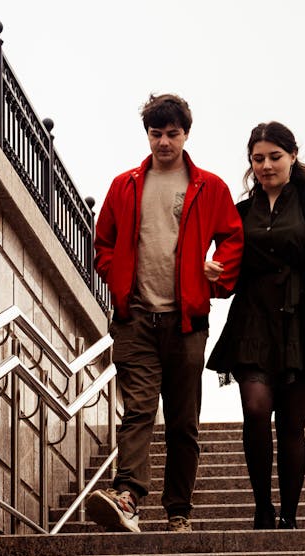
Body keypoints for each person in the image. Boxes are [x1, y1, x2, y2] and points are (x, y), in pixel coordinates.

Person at [86, 93, 243, 533]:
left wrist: (218, 273)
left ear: (186, 134)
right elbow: (104, 244)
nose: (164, 142)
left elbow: (232, 238)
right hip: (135, 318)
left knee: (182, 421)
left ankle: (179, 512)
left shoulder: (209, 187)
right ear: (148, 135)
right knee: (138, 409)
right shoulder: (126, 185)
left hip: (187, 321)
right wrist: (116, 275)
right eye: (157, 134)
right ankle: (129, 496)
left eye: (172, 133)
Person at [206, 121, 305, 529]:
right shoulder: (240, 212)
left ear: (292, 157)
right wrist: (214, 274)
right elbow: (227, 269)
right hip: (251, 323)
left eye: (274, 157)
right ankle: (261, 507)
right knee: (255, 409)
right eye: (258, 158)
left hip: (300, 329)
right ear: (250, 162)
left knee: (290, 424)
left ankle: (289, 513)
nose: (266, 165)